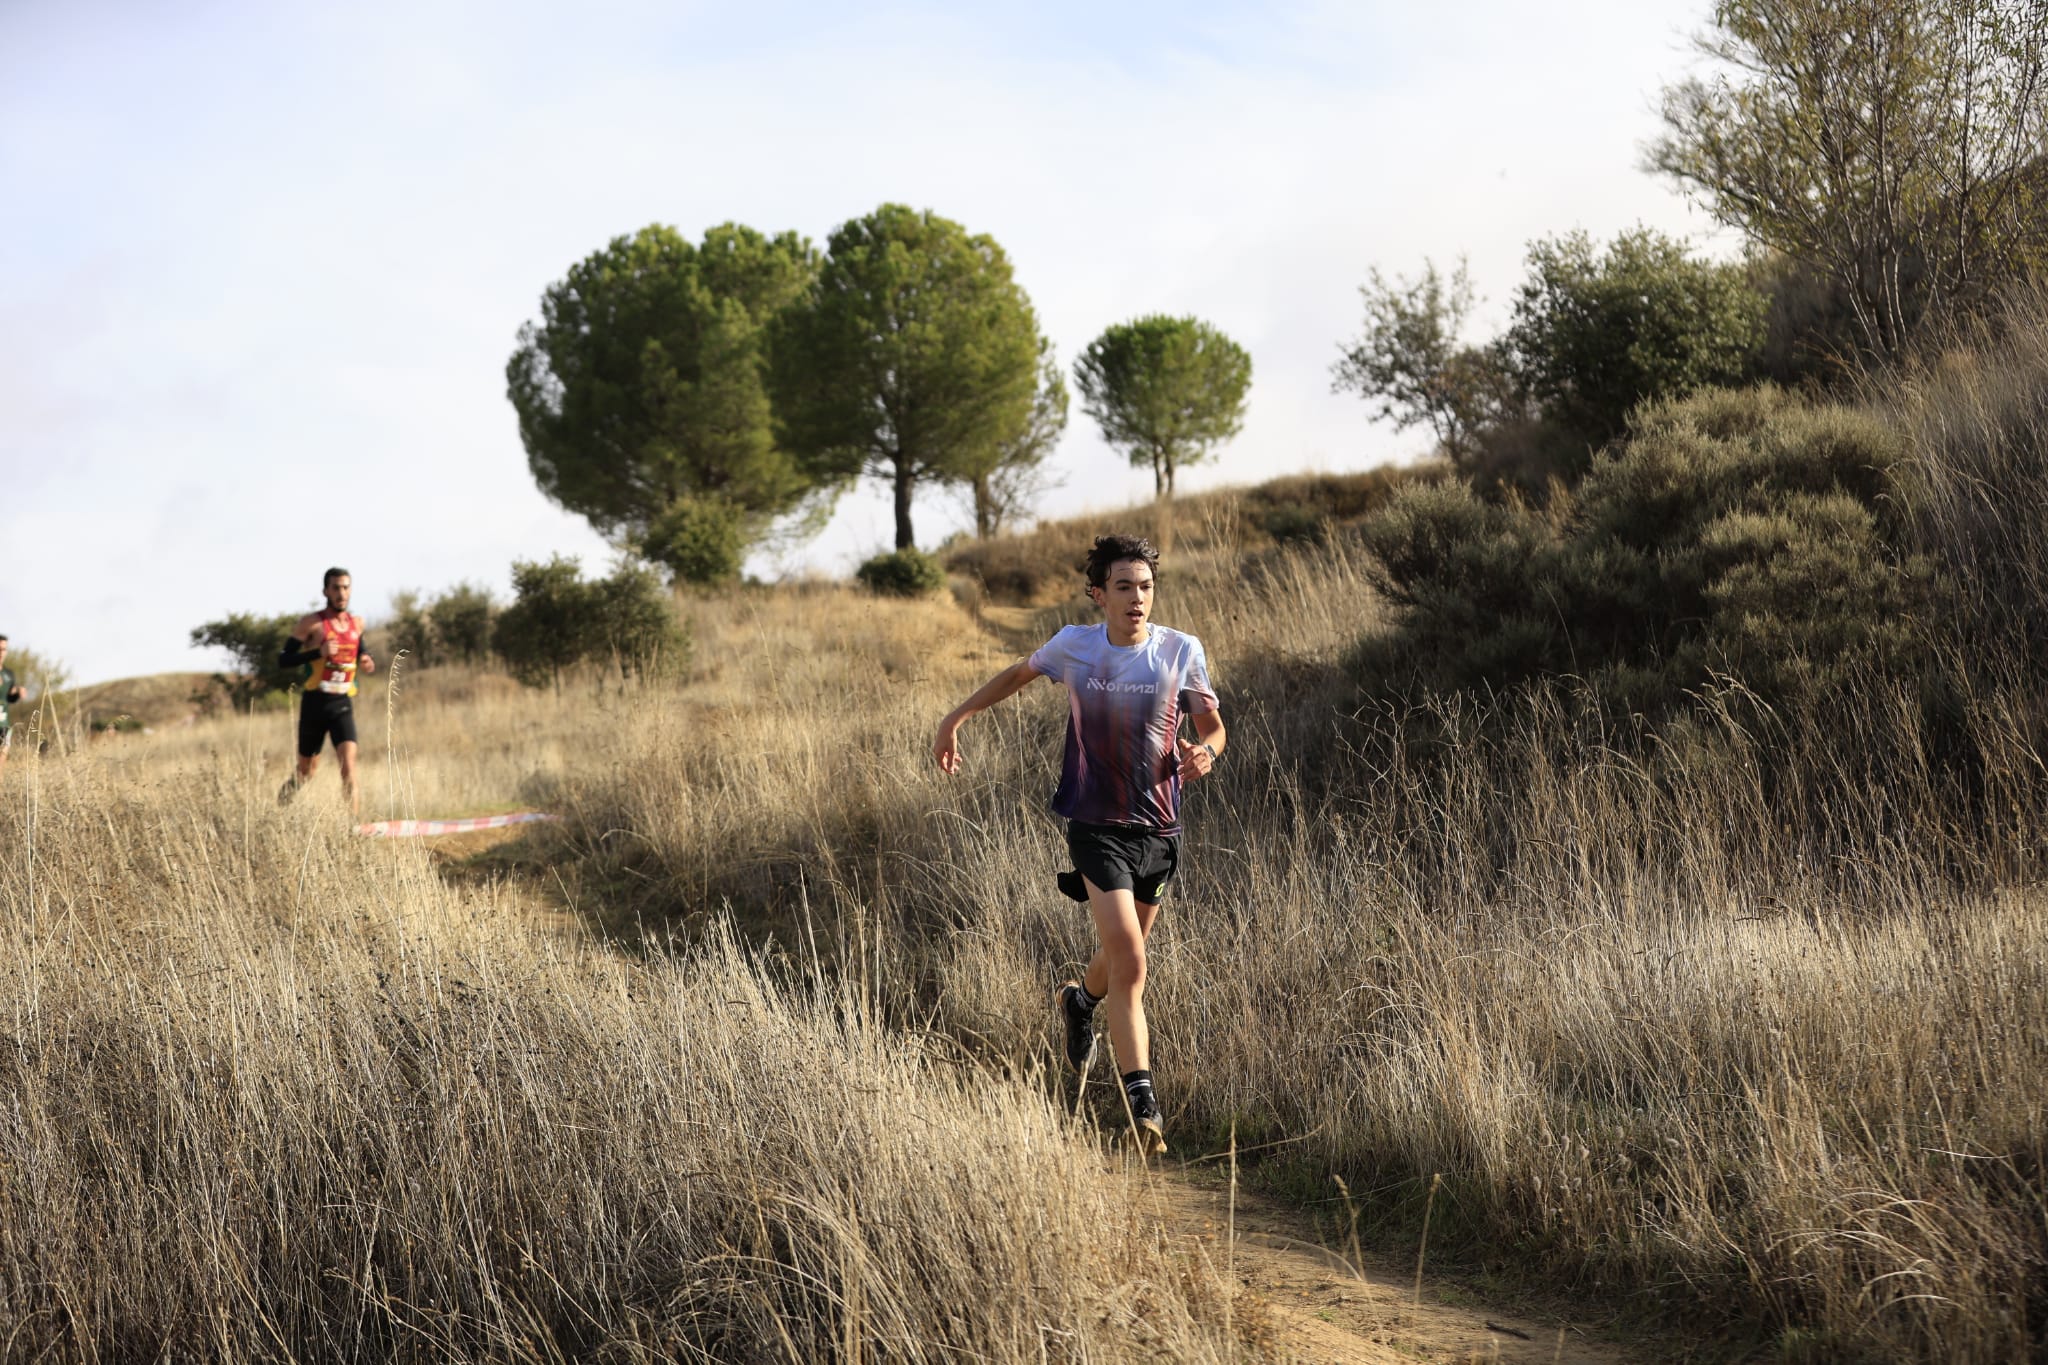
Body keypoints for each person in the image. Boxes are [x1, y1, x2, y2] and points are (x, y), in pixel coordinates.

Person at [932, 533, 1225, 1156]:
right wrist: (954, 718)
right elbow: (1017, 673)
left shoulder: (1180, 651)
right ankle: (1144, 1109)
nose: (1137, 598)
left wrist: (1207, 753)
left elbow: (1214, 727)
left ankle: (1078, 999)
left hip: (1160, 830)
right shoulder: (1077, 647)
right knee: (1135, 965)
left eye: (1145, 586)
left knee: (1122, 958)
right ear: (1099, 594)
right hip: (1095, 827)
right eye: (1123, 587)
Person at [277, 567, 376, 813]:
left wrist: (365, 658)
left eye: (345, 587)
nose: (341, 593)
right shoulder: (311, 623)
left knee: (348, 768)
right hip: (314, 704)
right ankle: (279, 809)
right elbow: (284, 659)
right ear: (326, 591)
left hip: (342, 703)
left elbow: (360, 648)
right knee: (306, 772)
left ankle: (351, 831)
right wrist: (316, 653)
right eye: (336, 588)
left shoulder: (357, 623)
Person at [0, 635, 23, 777]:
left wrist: (17, 693)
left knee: (2, 759)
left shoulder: (9, 674)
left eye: (4, 649)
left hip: (4, 723)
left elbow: (10, 699)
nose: (1, 652)